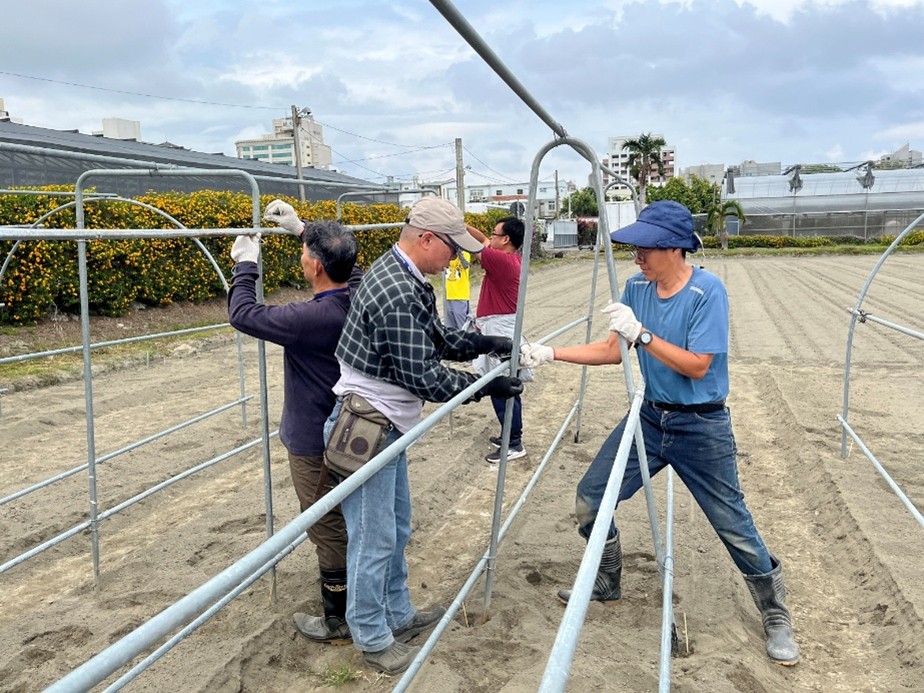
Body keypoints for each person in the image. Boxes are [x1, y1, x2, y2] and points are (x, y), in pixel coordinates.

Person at [520, 200, 800, 666]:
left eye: (644, 249)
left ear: (673, 248)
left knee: (733, 523)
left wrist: (643, 335)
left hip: (701, 424)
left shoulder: (707, 293)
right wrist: (549, 353)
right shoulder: (637, 287)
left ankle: (775, 614)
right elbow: (614, 351)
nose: (636, 258)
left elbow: (697, 365)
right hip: (650, 419)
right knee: (591, 498)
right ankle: (608, 581)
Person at [330, 196, 523, 675]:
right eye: (450, 249)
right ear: (426, 239)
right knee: (372, 538)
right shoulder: (396, 289)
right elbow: (425, 376)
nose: (455, 259)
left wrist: (482, 343)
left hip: (386, 422)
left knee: (395, 528)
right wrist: (485, 385)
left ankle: (398, 614)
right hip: (367, 426)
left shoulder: (404, 276)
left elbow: (434, 337)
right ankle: (372, 635)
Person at [228, 199, 361, 646]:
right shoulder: (356, 295)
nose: (301, 258)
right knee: (354, 513)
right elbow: (348, 268)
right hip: (354, 429)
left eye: (306, 254)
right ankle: (364, 594)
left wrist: (245, 266)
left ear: (318, 267)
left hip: (313, 438)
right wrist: (304, 230)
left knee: (325, 523)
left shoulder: (312, 318)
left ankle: (340, 617)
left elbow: (243, 315)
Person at [466, 216, 529, 463]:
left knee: (502, 386)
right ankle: (510, 435)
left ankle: (514, 442)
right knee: (501, 383)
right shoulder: (508, 257)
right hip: (499, 324)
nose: (490, 237)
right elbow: (480, 238)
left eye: (495, 234)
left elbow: (475, 244)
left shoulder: (501, 260)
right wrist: (459, 224)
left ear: (505, 240)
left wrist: (451, 228)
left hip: (500, 328)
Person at [443, 250, 472, 330]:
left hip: (460, 295)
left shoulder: (465, 254)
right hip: (449, 295)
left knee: (463, 326)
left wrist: (458, 251)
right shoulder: (448, 255)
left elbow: (466, 265)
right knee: (450, 327)